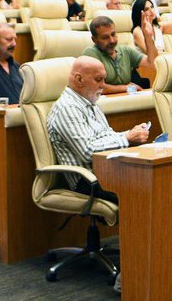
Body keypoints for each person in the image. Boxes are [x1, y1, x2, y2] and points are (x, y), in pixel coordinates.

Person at [47, 56, 149, 199]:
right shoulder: (67, 108)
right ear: (79, 79)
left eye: (104, 79)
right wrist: (126, 138)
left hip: (107, 171)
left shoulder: (89, 102)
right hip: (89, 182)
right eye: (98, 79)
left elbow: (107, 135)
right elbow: (87, 151)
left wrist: (132, 133)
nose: (103, 85)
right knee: (147, 190)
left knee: (155, 179)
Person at [84, 14, 157, 94]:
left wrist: (148, 37)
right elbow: (98, 87)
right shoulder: (90, 54)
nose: (112, 40)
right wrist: (127, 88)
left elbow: (152, 63)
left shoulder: (125, 50)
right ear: (94, 40)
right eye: (105, 37)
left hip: (125, 99)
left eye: (113, 34)